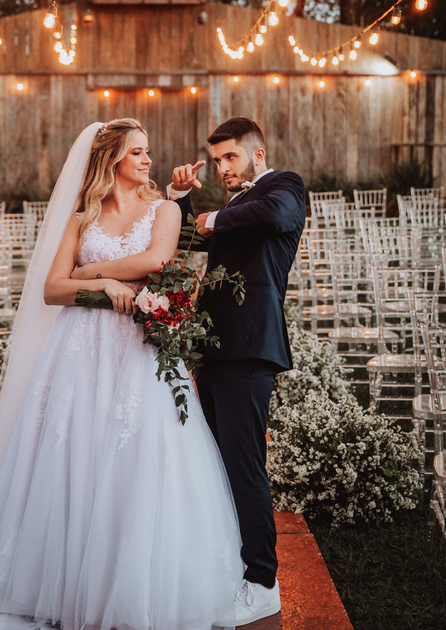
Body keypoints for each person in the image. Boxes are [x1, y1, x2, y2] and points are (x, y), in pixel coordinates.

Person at [0, 119, 243, 630]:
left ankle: (128, 585)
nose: (148, 161)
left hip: (137, 347)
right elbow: (50, 290)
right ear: (110, 162)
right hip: (80, 348)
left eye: (148, 151)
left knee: (138, 455)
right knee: (74, 456)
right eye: (137, 153)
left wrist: (89, 272)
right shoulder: (80, 219)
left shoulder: (166, 210)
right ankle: (61, 582)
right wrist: (102, 283)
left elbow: (159, 258)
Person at [168, 116, 306, 625]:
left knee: (245, 464)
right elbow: (187, 241)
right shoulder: (232, 206)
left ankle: (263, 581)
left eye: (232, 157)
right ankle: (231, 565)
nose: (224, 167)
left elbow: (271, 216)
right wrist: (184, 201)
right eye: (218, 159)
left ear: (258, 153)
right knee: (218, 462)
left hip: (249, 347)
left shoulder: (283, 188)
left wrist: (212, 220)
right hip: (213, 347)